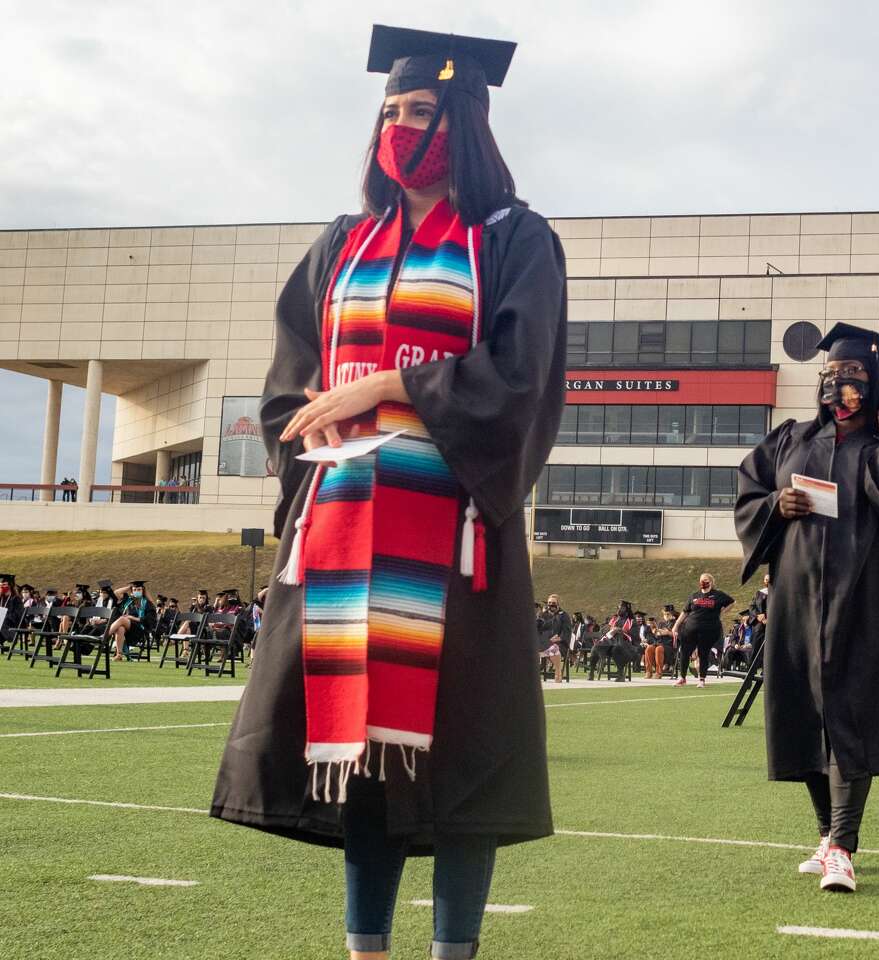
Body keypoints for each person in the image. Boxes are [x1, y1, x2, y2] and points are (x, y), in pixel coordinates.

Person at [210, 26, 566, 960]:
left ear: (466, 121)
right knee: (360, 761)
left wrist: (389, 387)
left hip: (453, 539)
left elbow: (520, 377)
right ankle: (364, 952)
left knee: (459, 764)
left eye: (424, 112)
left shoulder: (512, 240)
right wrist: (321, 420)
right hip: (342, 531)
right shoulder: (343, 244)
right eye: (392, 114)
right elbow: (291, 386)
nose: (404, 129)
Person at [735, 322, 879, 893]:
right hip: (798, 602)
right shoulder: (790, 438)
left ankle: (844, 846)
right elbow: (750, 495)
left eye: (853, 375)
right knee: (806, 717)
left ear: (874, 381)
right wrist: (778, 503)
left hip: (865, 601)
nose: (840, 385)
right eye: (831, 375)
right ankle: (828, 835)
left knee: (851, 716)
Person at [671, 573, 734, 689]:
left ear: (711, 582)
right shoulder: (694, 596)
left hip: (708, 630)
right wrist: (675, 626)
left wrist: (722, 612)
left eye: (705, 580)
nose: (703, 582)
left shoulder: (718, 595)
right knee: (685, 653)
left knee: (703, 653)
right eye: (701, 580)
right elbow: (685, 612)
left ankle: (702, 679)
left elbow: (732, 602)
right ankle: (682, 678)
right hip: (690, 629)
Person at [589, 601, 638, 681]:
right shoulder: (614, 619)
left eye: (621, 608)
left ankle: (621, 674)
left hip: (625, 645)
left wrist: (621, 631)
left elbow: (634, 636)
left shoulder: (632, 622)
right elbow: (603, 630)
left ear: (627, 610)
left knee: (617, 649)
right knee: (596, 647)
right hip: (610, 643)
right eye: (618, 607)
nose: (619, 609)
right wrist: (611, 629)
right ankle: (591, 672)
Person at [109, 580, 156, 661]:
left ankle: (105, 636)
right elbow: (116, 593)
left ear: (143, 590)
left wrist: (131, 617)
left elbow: (149, 620)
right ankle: (119, 654)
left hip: (140, 630)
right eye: (134, 590)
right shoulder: (128, 601)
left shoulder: (147, 603)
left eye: (139, 590)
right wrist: (129, 587)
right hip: (128, 630)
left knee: (122, 619)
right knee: (120, 628)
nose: (136, 591)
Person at [537, 594, 570, 683]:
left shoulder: (564, 616)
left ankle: (558, 671)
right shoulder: (543, 615)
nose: (551, 605)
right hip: (543, 642)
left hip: (560, 643)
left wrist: (557, 638)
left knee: (553, 647)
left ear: (558, 604)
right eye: (549, 603)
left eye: (553, 603)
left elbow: (566, 632)